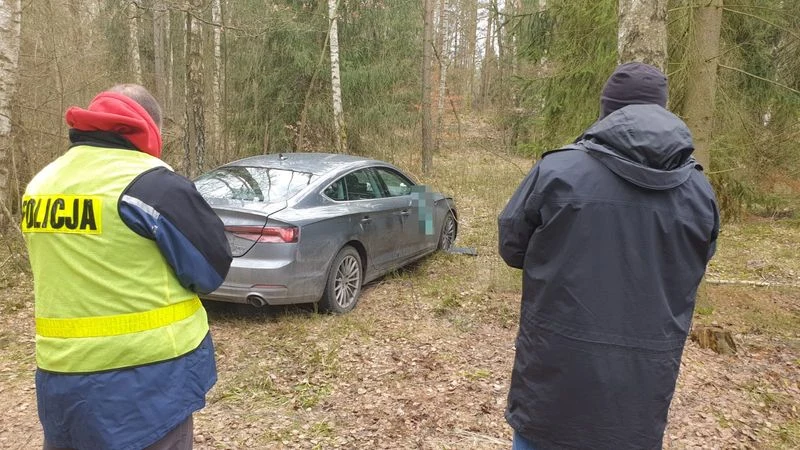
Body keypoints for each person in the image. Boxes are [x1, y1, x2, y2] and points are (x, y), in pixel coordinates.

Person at [498, 62, 719, 450]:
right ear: (662, 109)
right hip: (637, 401)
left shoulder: (558, 170)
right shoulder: (699, 191)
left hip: (552, 387)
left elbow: (512, 247)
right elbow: (696, 263)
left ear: (606, 111)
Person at [22, 84, 232, 450]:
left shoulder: (41, 184)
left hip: (59, 381)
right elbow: (211, 270)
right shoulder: (152, 185)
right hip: (147, 387)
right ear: (153, 128)